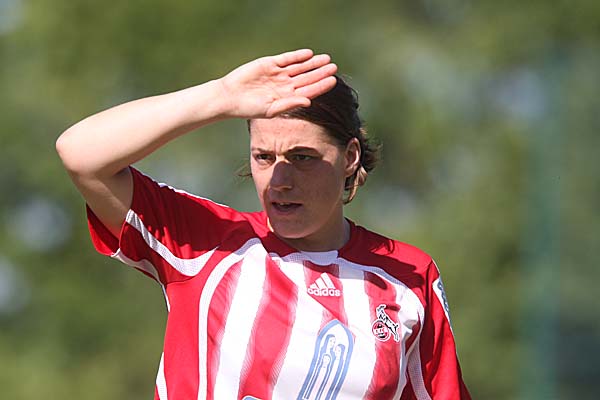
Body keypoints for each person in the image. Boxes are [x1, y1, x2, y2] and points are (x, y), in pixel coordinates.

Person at [56, 49, 471, 400]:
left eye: (302, 157)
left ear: (349, 158)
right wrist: (221, 96)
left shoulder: (409, 275)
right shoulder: (208, 241)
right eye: (264, 157)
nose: (280, 179)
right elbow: (81, 155)